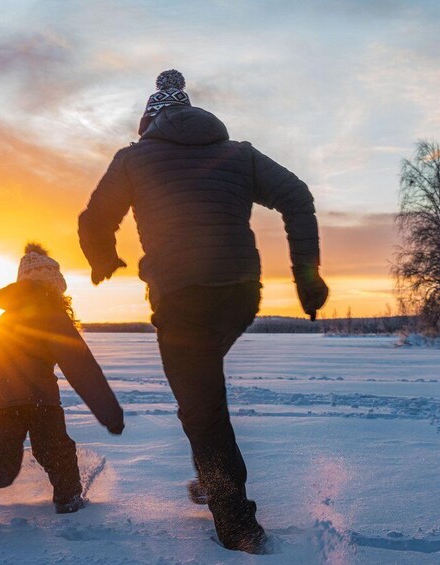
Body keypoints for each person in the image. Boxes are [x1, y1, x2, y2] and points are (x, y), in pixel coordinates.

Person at [78, 70, 328, 553]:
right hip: (238, 295)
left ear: (149, 120)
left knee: (203, 410)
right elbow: (297, 197)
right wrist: (307, 278)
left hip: (181, 298)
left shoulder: (134, 158)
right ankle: (214, 482)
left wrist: (104, 259)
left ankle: (236, 524)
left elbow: (94, 219)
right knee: (202, 398)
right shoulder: (239, 154)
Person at [0, 243, 124, 515]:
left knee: (1, 464)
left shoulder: (2, 322)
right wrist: (109, 412)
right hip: (38, 398)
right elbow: (80, 365)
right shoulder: (51, 315)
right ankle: (69, 502)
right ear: (53, 286)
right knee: (58, 453)